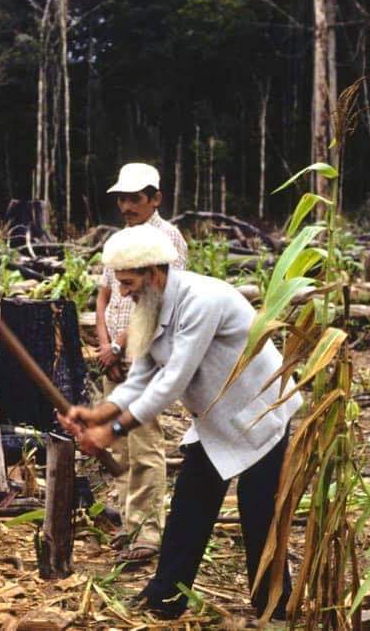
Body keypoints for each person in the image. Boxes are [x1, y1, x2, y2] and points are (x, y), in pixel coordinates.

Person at [62, 224, 300, 619]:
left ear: (154, 273)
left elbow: (172, 381)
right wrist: (98, 412)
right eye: (118, 283)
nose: (123, 292)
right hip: (217, 416)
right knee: (191, 501)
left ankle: (273, 604)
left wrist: (114, 430)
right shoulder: (150, 305)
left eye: (128, 282)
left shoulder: (202, 300)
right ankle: (166, 596)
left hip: (260, 410)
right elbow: (141, 375)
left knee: (258, 507)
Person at [95, 162, 187, 564]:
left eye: (137, 198)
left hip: (145, 354)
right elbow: (104, 296)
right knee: (121, 444)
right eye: (122, 198)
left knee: (145, 441)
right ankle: (129, 524)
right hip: (112, 357)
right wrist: (104, 346)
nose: (128, 206)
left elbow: (157, 300)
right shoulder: (119, 241)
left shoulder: (167, 240)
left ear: (156, 199)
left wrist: (120, 347)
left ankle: (148, 532)